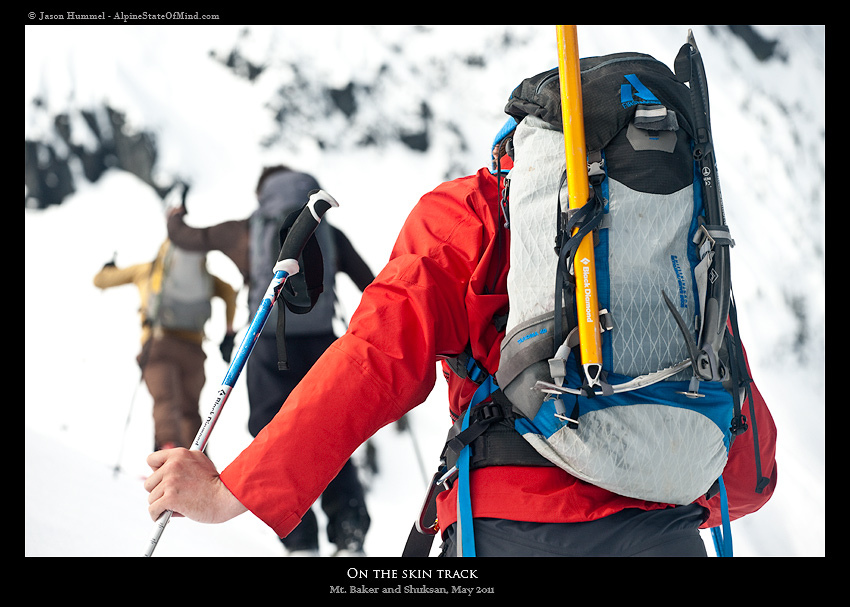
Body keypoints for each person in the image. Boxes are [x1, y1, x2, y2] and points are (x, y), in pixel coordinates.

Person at [146, 121, 777, 559]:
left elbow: (379, 351)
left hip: (506, 528)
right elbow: (750, 471)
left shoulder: (474, 210)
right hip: (665, 532)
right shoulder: (679, 247)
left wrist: (231, 489)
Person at [164, 166, 375, 556]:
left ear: (263, 192)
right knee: (328, 433)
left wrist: (174, 216)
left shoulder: (247, 228)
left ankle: (299, 542)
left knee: (271, 437)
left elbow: (186, 238)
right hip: (322, 347)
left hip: (265, 347)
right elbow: (372, 284)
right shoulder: (323, 230)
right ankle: (349, 535)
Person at [94, 239, 237, 451]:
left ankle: (167, 455)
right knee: (189, 409)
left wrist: (107, 270)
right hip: (193, 350)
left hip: (159, 345)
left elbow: (101, 281)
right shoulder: (206, 278)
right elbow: (230, 292)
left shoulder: (147, 270)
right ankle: (198, 464)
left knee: (165, 401)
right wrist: (228, 331)